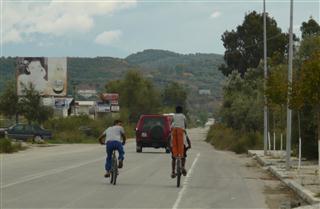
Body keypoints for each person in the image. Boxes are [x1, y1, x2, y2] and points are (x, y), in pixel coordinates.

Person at [170, 105, 191, 178]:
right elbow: (185, 125)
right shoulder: (183, 116)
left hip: (174, 134)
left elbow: (171, 124)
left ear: (175, 111)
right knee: (184, 153)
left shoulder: (173, 116)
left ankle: (173, 172)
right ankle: (183, 167)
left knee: (173, 157)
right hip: (181, 134)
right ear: (181, 110)